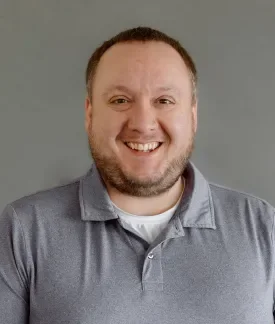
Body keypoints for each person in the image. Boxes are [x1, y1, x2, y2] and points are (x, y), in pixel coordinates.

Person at [0, 26, 274, 324]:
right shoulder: (24, 230)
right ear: (89, 114)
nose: (143, 124)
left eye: (164, 101)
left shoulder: (264, 228)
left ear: (192, 116)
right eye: (120, 100)